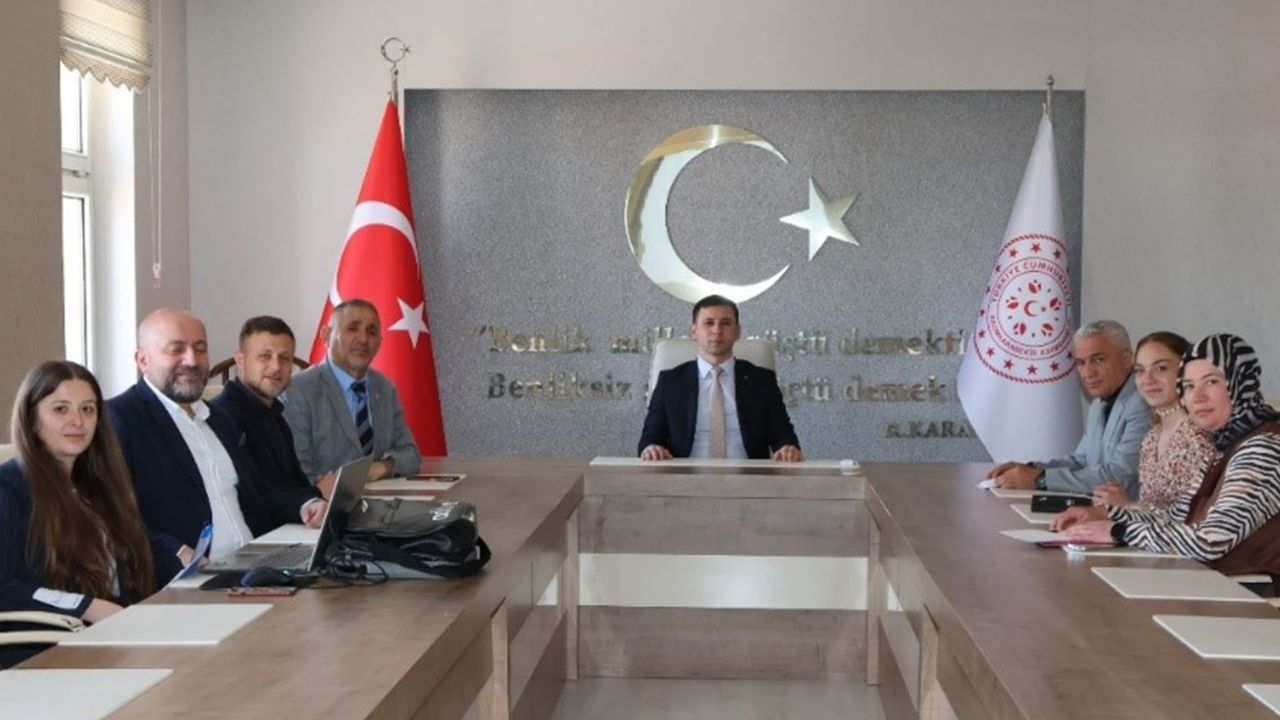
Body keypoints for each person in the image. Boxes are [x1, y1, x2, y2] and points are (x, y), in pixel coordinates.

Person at [108, 309, 325, 563]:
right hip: (189, 575)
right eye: (176, 349)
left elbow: (258, 492)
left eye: (200, 348)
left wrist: (305, 505)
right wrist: (176, 553)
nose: (192, 360)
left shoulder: (218, 418)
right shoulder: (118, 419)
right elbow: (109, 517)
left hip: (254, 561)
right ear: (143, 360)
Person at [1061, 335, 1280, 575]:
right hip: (1209, 582)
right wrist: (1106, 514)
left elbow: (1210, 542)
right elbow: (1176, 516)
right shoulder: (1226, 445)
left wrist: (1118, 531)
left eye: (1211, 382)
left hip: (1250, 591)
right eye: (1189, 386)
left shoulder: (1263, 448)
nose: (1197, 397)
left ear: (1241, 384)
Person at [1, 362, 157, 667]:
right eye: (61, 409)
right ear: (32, 420)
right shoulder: (8, 488)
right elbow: (4, 585)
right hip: (43, 651)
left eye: (87, 409)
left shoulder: (96, 483)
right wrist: (85, 606)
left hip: (110, 634)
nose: (78, 421)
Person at [1052, 333, 1217, 528]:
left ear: (1187, 371)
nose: (1147, 379)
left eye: (1161, 368)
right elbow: (1151, 507)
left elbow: (1191, 520)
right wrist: (1100, 512)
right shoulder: (1152, 436)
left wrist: (1127, 506)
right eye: (1139, 370)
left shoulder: (1198, 437)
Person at [987, 320, 1149, 495]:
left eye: (1098, 359)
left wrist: (1040, 479)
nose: (1088, 373)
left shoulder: (1143, 404)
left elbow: (1120, 476)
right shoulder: (1098, 405)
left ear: (1126, 359)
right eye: (1080, 363)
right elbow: (1080, 461)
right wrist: (1030, 469)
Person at [638, 295, 802, 461]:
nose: (717, 331)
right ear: (694, 331)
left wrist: (787, 447)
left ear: (737, 332)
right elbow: (651, 435)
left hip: (748, 474)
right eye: (709, 323)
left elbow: (783, 433)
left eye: (726, 323)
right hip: (687, 473)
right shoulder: (670, 382)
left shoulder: (761, 381)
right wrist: (651, 447)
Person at [283, 299, 421, 482]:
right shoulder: (298, 390)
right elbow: (295, 472)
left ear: (380, 343)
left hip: (381, 497)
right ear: (326, 335)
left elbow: (411, 455)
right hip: (322, 499)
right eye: (352, 328)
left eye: (371, 332)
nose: (363, 339)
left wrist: (382, 467)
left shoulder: (385, 388)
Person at [209, 316, 335, 499]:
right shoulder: (221, 419)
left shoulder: (275, 414)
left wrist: (316, 489)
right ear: (240, 360)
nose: (276, 367)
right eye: (265, 356)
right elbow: (251, 501)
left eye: (284, 358)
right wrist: (316, 493)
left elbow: (289, 485)